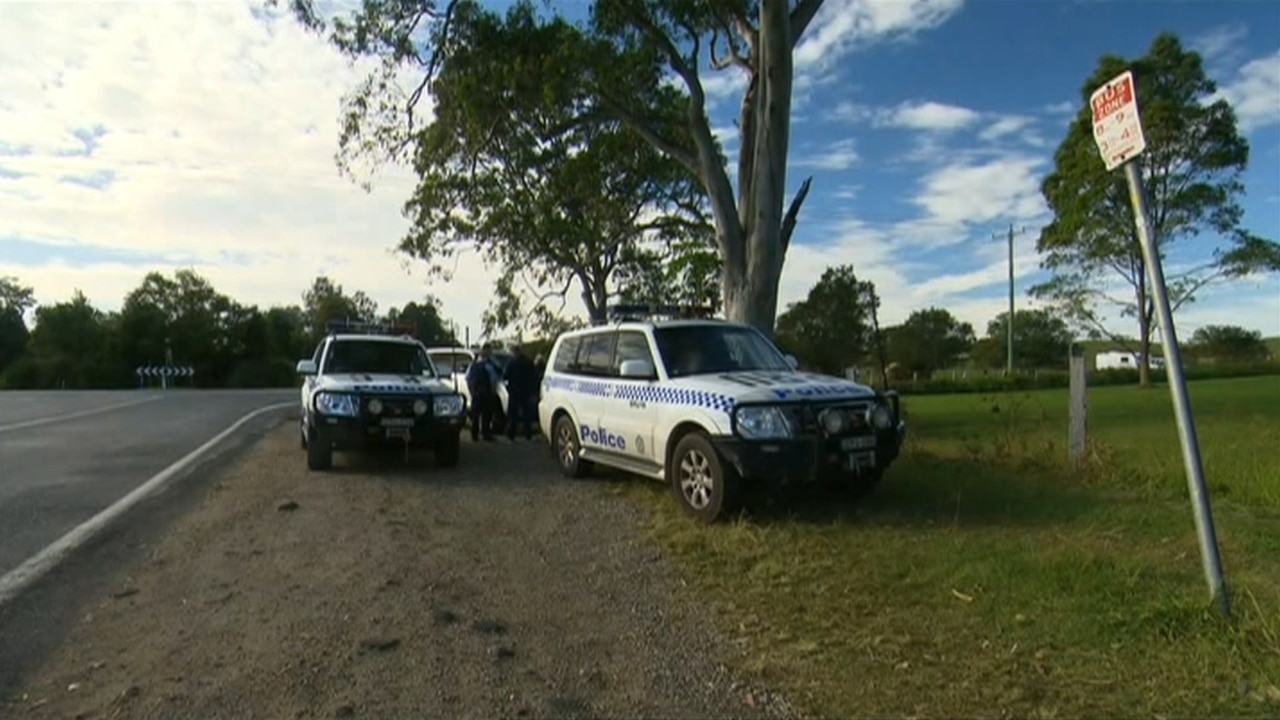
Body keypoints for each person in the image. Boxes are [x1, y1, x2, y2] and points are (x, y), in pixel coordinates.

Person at [502, 345, 538, 441]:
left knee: (513, 415)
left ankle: (511, 435)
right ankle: (528, 434)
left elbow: (505, 375)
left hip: (514, 391)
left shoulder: (512, 363)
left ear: (514, 352)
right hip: (526, 391)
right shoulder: (528, 362)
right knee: (527, 415)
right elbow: (534, 376)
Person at [466, 346, 499, 442]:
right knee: (486, 415)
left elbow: (468, 378)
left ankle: (474, 435)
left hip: (476, 393)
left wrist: (472, 391)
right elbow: (494, 380)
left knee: (476, 415)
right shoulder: (489, 366)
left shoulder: (473, 365)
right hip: (486, 393)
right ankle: (486, 434)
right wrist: (493, 391)